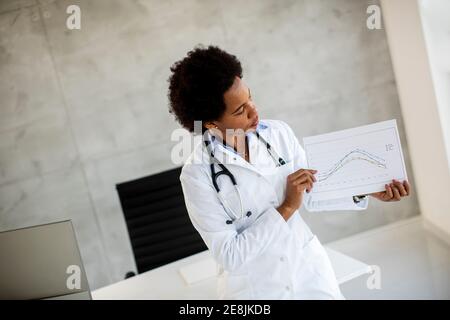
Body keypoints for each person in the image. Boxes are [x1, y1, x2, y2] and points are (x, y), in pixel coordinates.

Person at [167, 45, 410, 299]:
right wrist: (286, 208)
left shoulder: (278, 134)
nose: (254, 111)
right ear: (210, 122)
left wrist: (365, 190)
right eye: (240, 111)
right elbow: (231, 255)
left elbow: (313, 192)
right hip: (256, 288)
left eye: (250, 97)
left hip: (308, 270)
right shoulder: (197, 174)